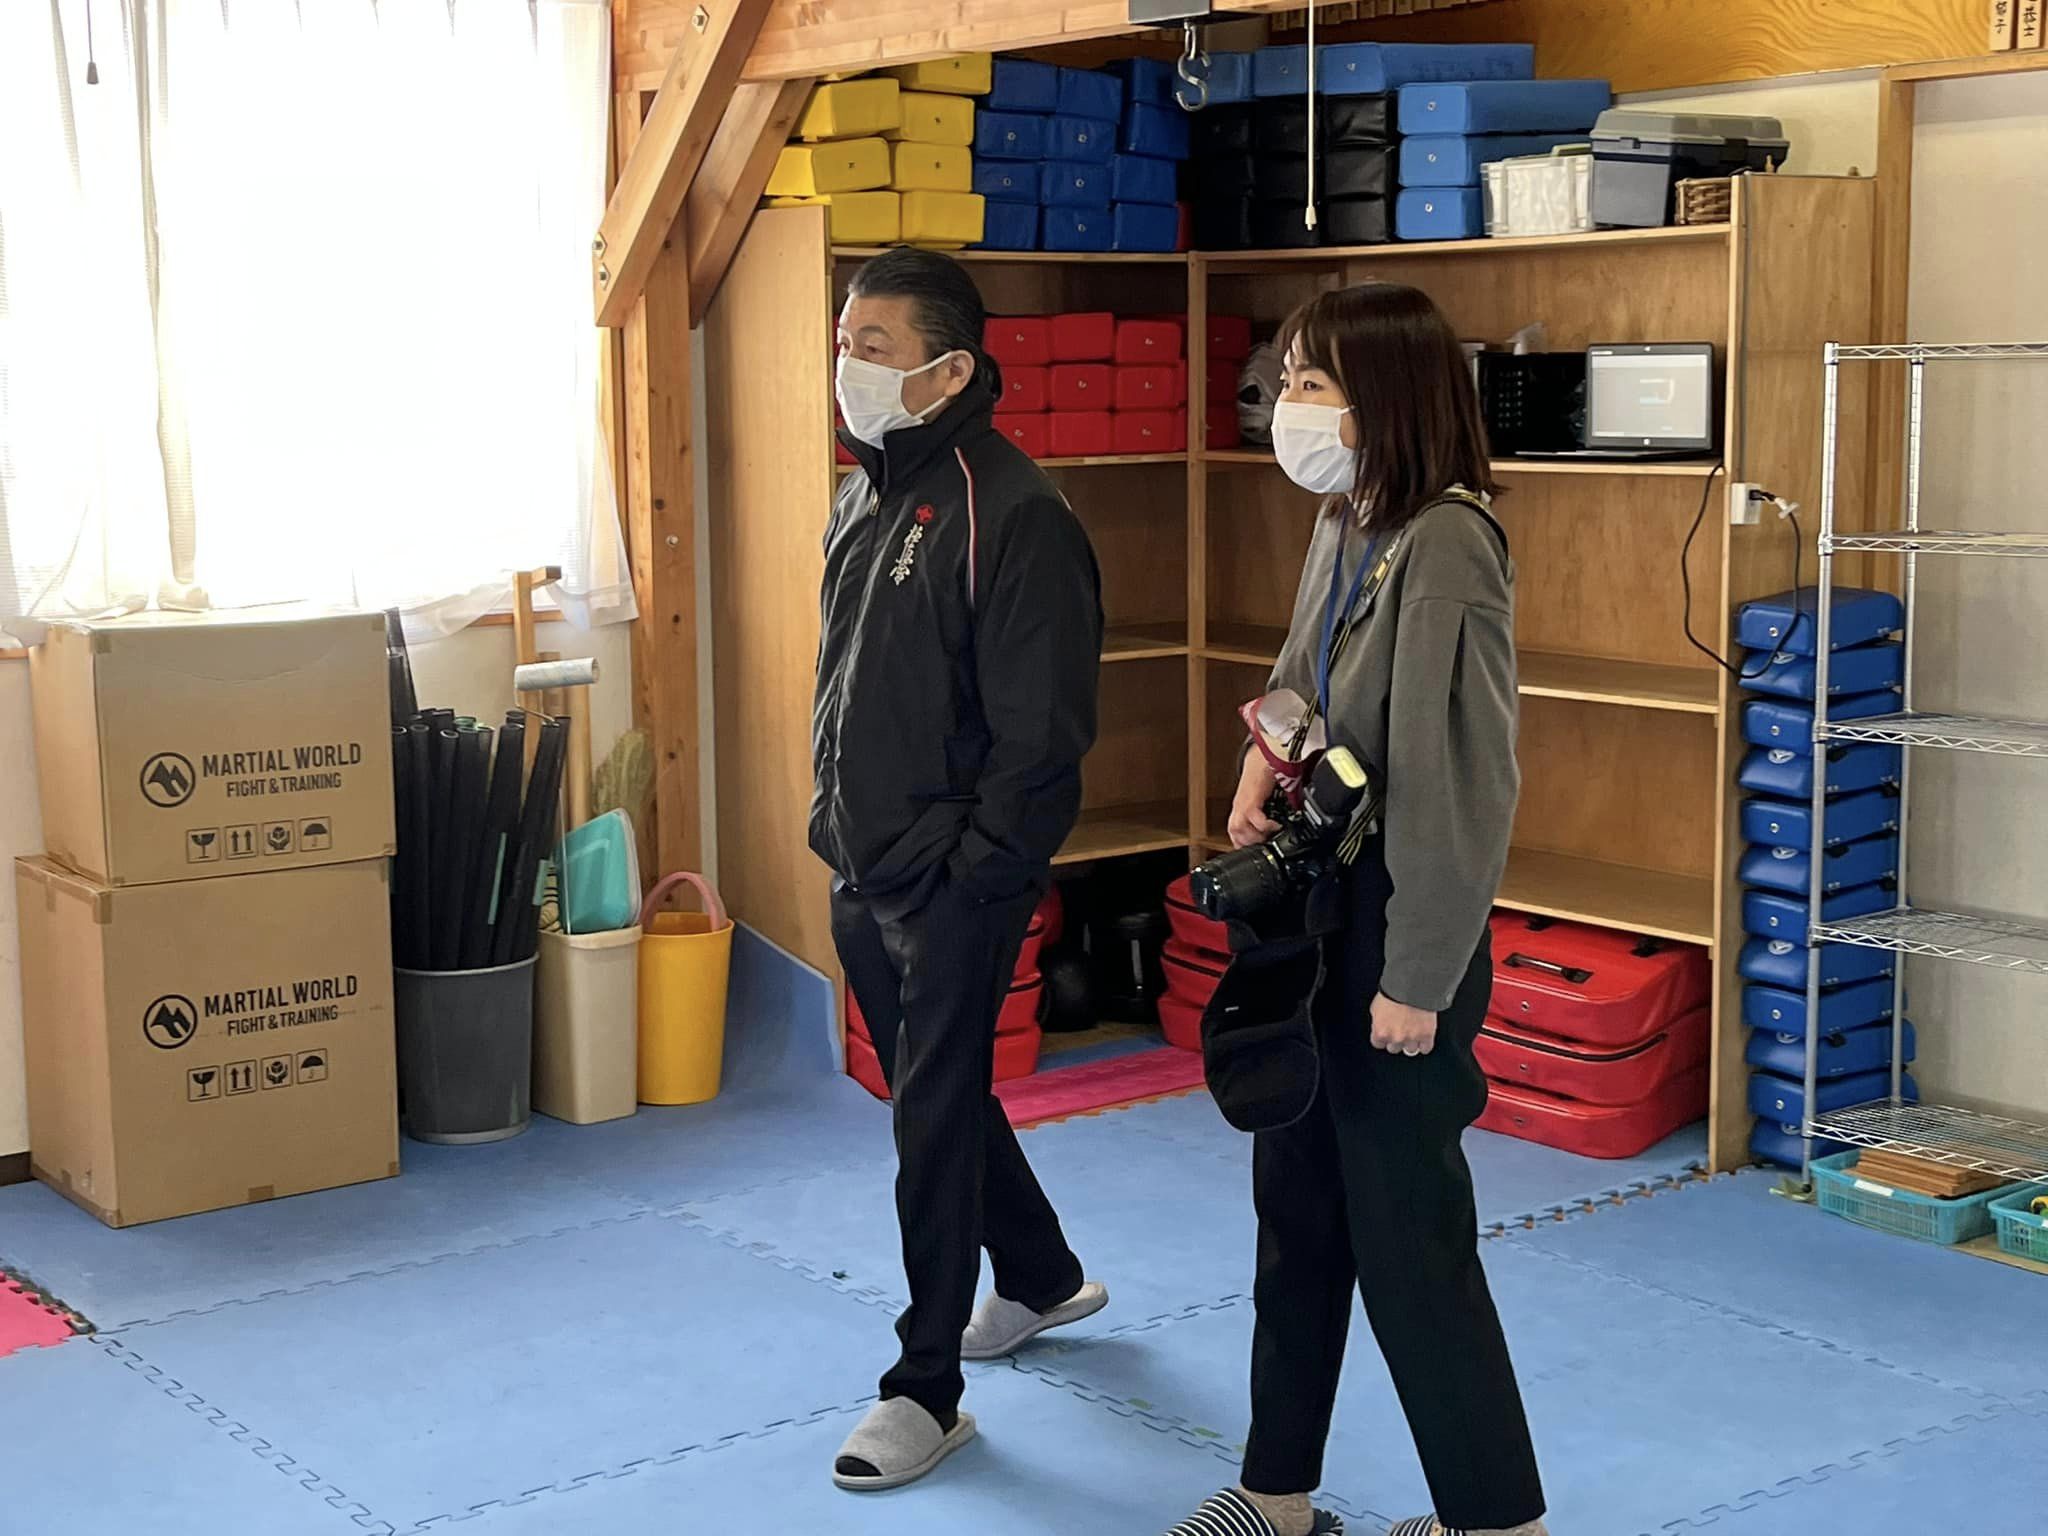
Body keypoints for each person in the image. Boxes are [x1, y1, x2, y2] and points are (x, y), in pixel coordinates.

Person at [1163, 284, 1548, 1536]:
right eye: (1284, 381)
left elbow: (1459, 780)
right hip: (1313, 907)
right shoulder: (1347, 518)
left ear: (1385, 396)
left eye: (1310, 384)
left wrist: (1417, 978)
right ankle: (1275, 1493)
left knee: (1409, 1238)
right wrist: (1256, 760)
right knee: (1296, 1214)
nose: (1284, 405)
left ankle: (1496, 1519)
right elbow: (1297, 674)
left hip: (1396, 924)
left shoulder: (1447, 542)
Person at [814, 248, 1110, 1493]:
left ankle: (922, 1390)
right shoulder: (862, 496)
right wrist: (838, 829)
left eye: (874, 347)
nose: (848, 367)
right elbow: (851, 690)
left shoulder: (1015, 510)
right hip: (861, 860)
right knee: (933, 1092)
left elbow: (1044, 738)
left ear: (947, 370)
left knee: (929, 1119)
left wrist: (977, 874)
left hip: (952, 883)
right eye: (845, 343)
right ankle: (1039, 1275)